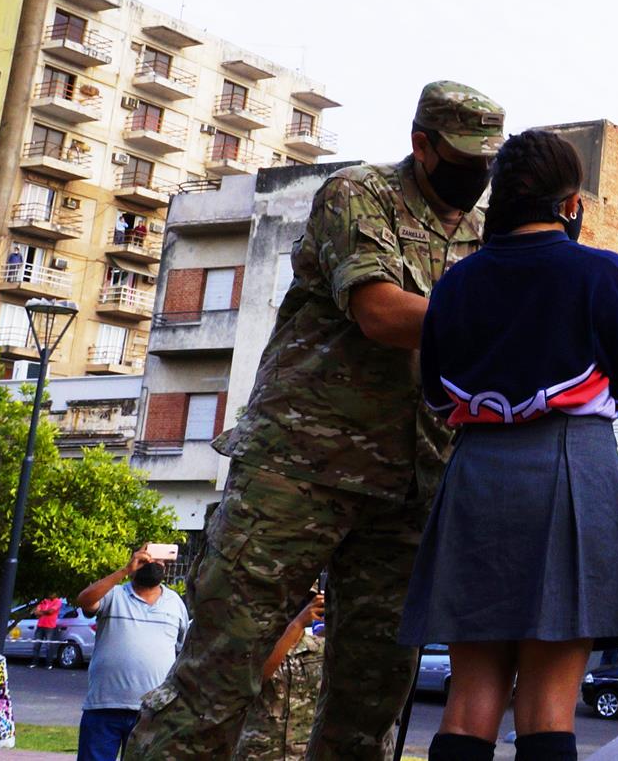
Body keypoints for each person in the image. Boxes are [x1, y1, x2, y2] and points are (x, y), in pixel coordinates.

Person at [126, 82, 506, 761]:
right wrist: (508, 322)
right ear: (423, 144)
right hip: (295, 474)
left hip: (408, 492)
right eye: (464, 155)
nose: (478, 171)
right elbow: (380, 312)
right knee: (214, 682)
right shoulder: (359, 195)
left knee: (368, 713)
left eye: (489, 159)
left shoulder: (486, 239)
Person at [397, 128, 618, 761]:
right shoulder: (603, 273)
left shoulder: (453, 287)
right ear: (572, 204)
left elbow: (436, 398)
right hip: (570, 467)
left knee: (468, 704)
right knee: (546, 709)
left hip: (476, 474)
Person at [74, 547, 189, 761]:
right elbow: (85, 600)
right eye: (146, 560)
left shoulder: (175, 603)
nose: (152, 564)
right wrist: (124, 571)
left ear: (165, 565)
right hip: (104, 706)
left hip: (153, 711)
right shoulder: (113, 595)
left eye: (158, 561)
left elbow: (183, 653)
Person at [233, 591, 327, 761]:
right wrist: (296, 624)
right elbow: (255, 679)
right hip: (259, 754)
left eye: (303, 601)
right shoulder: (252, 646)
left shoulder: (319, 649)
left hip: (302, 754)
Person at [31, 596, 63, 668]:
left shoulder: (57, 601)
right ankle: (34, 663)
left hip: (50, 626)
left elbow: (51, 612)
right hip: (40, 625)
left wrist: (42, 612)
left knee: (49, 646)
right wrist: (45, 612)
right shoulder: (43, 600)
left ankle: (49, 664)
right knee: (36, 645)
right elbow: (36, 612)